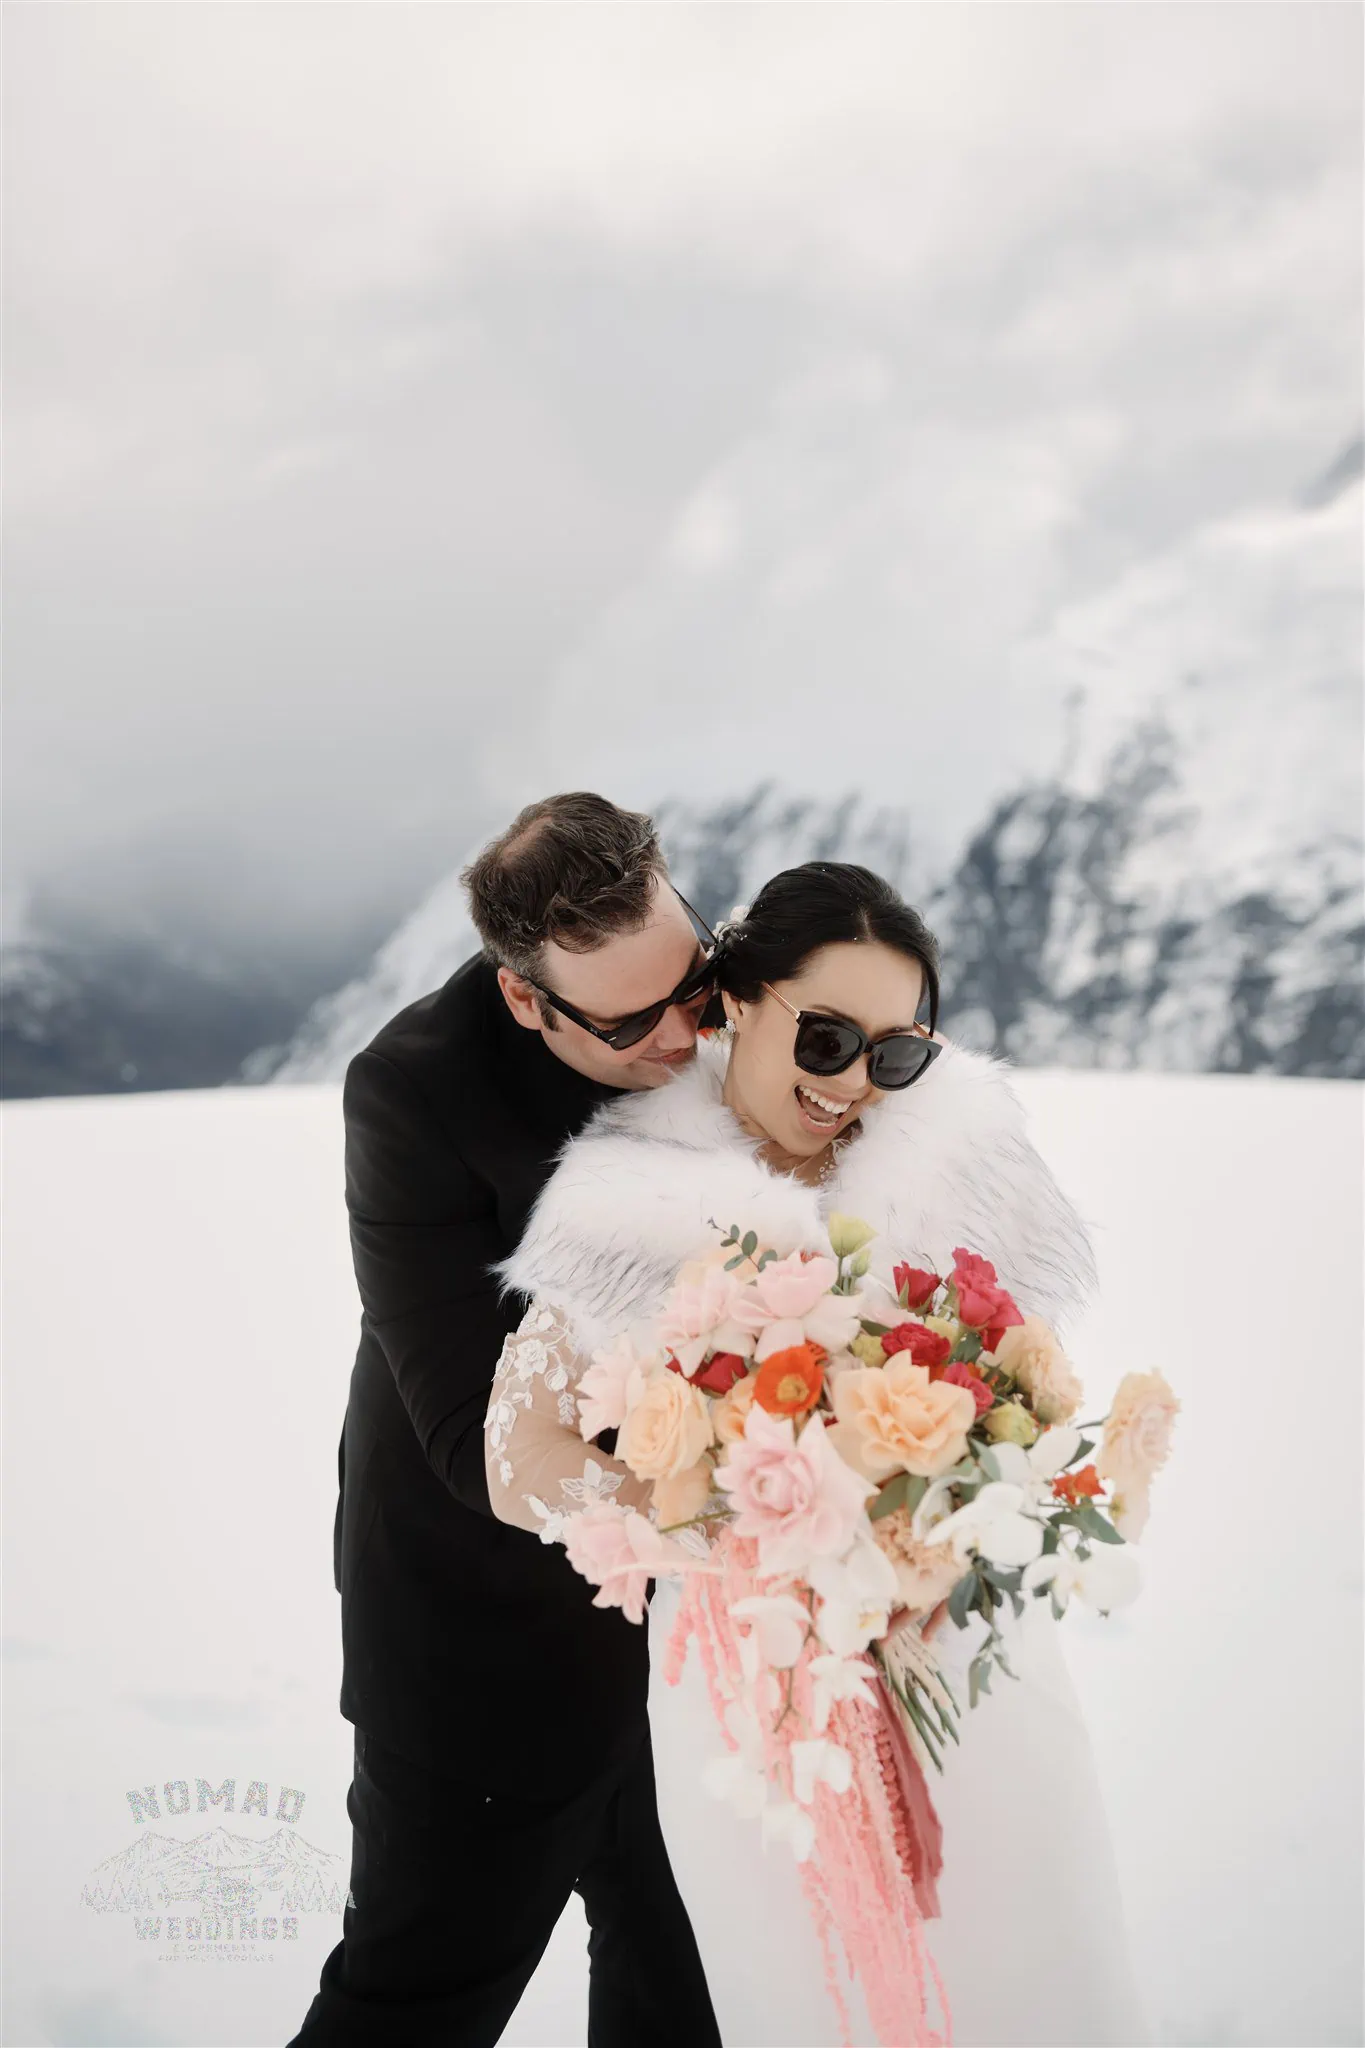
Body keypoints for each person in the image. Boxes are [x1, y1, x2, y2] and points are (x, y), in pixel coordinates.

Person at [486, 861, 1152, 2048]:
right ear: (741, 997)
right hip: (753, 1679)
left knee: (1035, 1963)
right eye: (828, 1037)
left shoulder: (956, 1164)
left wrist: (982, 1482)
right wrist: (734, 1518)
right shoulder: (630, 1197)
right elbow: (518, 1451)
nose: (852, 1083)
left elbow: (1029, 1382)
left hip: (970, 1658)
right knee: (811, 1989)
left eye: (895, 1054)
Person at [288, 793, 721, 2047]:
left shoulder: (714, 992)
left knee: (693, 1989)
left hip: (698, 1652)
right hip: (480, 1643)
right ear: (526, 996)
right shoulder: (411, 1093)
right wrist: (734, 1515)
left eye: (690, 983)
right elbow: (466, 1438)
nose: (683, 1033)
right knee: (415, 2003)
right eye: (629, 1021)